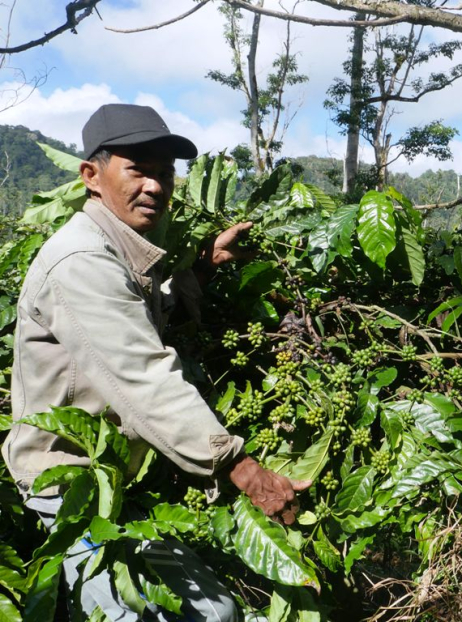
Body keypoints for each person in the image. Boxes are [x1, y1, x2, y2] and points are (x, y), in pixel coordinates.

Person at [1, 104, 309, 621]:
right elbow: (143, 377)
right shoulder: (82, 261)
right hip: (68, 484)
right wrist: (243, 469)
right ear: (91, 177)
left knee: (216, 614)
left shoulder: (113, 248)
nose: (155, 186)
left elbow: (140, 311)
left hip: (112, 476)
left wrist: (204, 268)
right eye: (138, 169)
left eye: (165, 173)